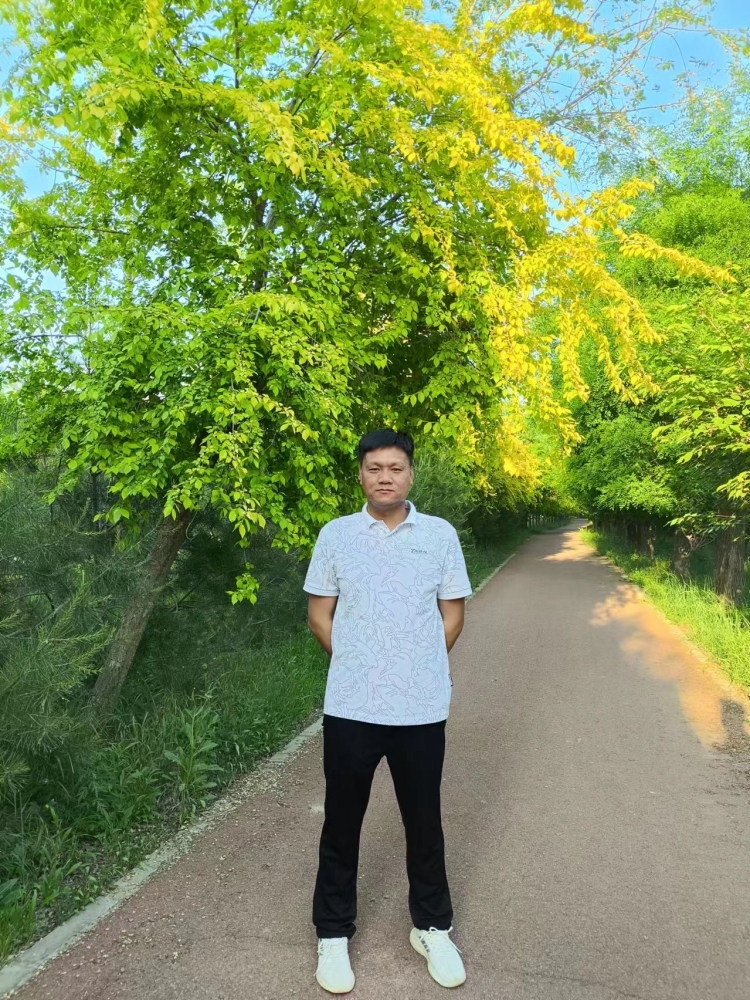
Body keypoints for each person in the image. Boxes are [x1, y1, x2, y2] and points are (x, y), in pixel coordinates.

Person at [304, 428, 472, 994]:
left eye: (395, 468)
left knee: (424, 821)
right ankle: (333, 933)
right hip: (351, 706)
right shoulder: (336, 535)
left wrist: (414, 666)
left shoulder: (440, 535)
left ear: (410, 473)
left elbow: (453, 615)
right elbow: (319, 615)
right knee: (341, 821)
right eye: (374, 468)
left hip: (421, 708)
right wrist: (361, 664)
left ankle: (432, 927)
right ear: (361, 474)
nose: (385, 477)